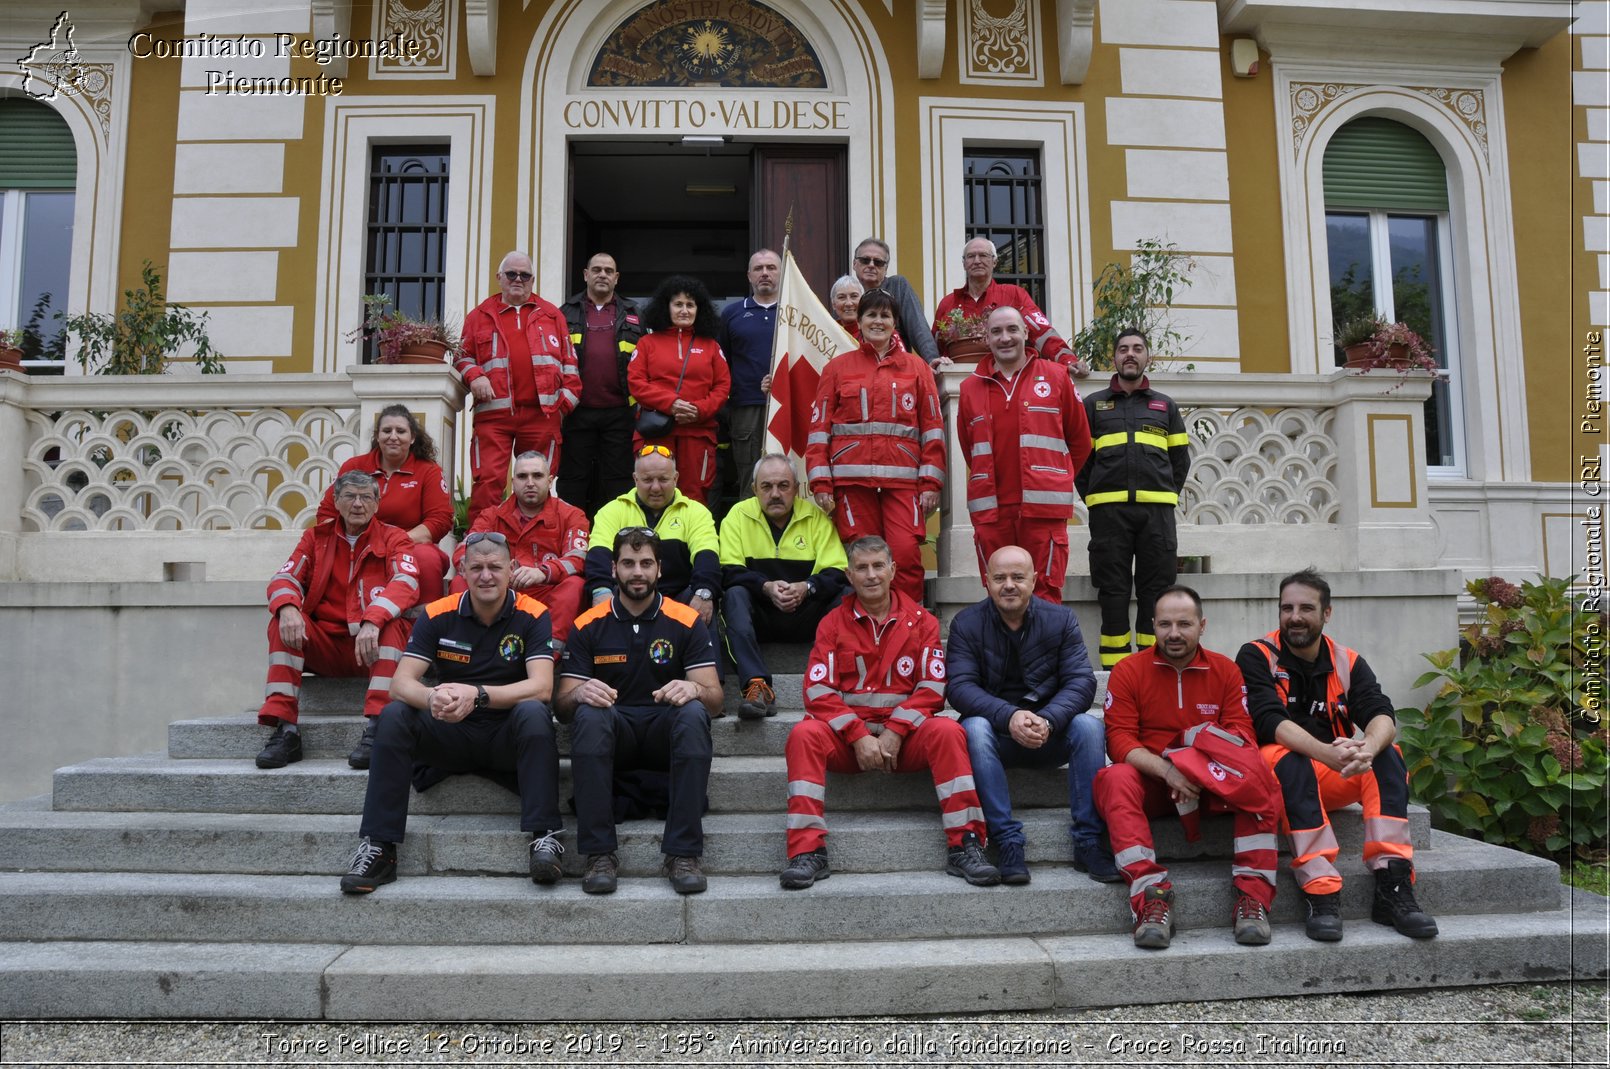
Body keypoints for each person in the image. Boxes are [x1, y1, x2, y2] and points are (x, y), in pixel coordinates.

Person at [339, 531, 564, 894]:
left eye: (495, 567)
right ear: (462, 569)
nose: (486, 576)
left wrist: (476, 695)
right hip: (449, 731)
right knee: (395, 714)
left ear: (512, 570)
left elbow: (542, 687)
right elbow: (400, 684)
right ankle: (379, 847)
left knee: (535, 713)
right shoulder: (438, 612)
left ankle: (545, 837)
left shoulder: (534, 614)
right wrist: (432, 699)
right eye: (477, 567)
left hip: (505, 735)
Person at [779, 537, 999, 890]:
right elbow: (817, 692)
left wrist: (896, 730)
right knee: (803, 735)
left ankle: (966, 844)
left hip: (905, 742)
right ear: (849, 576)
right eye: (862, 568)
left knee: (948, 732)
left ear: (893, 570)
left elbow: (933, 686)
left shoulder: (922, 621)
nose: (871, 575)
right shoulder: (832, 624)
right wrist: (858, 735)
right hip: (849, 744)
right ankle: (807, 852)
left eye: (878, 566)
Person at [1238, 569, 1438, 942]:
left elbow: (1380, 712)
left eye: (1306, 608)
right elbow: (1267, 720)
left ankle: (1393, 885)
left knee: (1389, 754)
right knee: (1290, 759)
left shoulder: (1347, 660)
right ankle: (1320, 890)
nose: (1294, 616)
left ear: (1326, 613)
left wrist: (1367, 749)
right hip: (1274, 774)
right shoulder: (1256, 655)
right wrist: (1324, 752)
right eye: (1287, 608)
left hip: (1331, 769)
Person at [1093, 586, 1282, 950]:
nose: (1174, 633)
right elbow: (1119, 741)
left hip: (1211, 784)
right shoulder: (1129, 671)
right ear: (1152, 626)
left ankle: (1252, 898)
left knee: (1261, 776)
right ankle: (1151, 897)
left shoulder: (1226, 671)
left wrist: (1192, 767)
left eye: (1184, 623)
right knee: (1113, 778)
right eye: (1165, 624)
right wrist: (1168, 771)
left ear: (1202, 625)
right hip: (1154, 785)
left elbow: (1241, 737)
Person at [558, 528, 722, 895]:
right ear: (613, 569)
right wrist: (580, 691)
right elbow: (563, 707)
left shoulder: (685, 620)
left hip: (664, 728)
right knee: (587, 713)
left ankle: (683, 854)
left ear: (659, 569)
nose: (637, 572)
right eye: (628, 564)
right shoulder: (588, 623)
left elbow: (715, 700)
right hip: (614, 730)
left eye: (646, 563)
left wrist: (695, 688)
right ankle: (599, 854)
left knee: (695, 713)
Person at [948, 545, 1117, 885]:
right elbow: (960, 688)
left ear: (1035, 580)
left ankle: (1088, 841)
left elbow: (1081, 682)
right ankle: (1007, 841)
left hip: (1048, 733)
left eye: (1017, 577)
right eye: (999, 578)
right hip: (995, 737)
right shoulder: (966, 623)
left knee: (1088, 726)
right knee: (974, 727)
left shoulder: (1061, 619)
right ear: (986, 582)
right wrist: (1009, 716)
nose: (1008, 585)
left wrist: (1049, 719)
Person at [256, 471, 420, 771]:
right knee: (283, 620)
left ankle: (378, 728)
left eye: (366, 497)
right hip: (326, 648)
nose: (358, 504)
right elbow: (284, 577)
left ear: (377, 503)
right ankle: (285, 730)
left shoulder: (395, 538)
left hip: (371, 647)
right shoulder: (315, 537)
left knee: (393, 626)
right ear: (336, 501)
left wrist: (373, 619)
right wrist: (288, 607)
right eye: (349, 497)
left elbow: (406, 582)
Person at [805, 289, 944, 606]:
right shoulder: (837, 368)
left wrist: (931, 482)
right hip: (852, 484)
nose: (877, 321)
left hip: (904, 483)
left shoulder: (917, 368)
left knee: (905, 555)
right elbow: (818, 429)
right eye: (871, 315)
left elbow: (933, 428)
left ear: (895, 323)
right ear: (860, 320)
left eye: (885, 316)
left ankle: (910, 627)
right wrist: (821, 481)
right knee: (862, 561)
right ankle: (867, 629)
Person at [957, 307, 1092, 605]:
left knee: (1045, 592)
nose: (1005, 338)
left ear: (1026, 333)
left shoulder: (1056, 376)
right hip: (992, 512)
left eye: (1012, 330)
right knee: (999, 595)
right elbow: (970, 449)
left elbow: (1081, 441)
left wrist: (1056, 476)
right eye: (996, 332)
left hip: (1043, 511)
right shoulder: (969, 389)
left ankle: (1043, 653)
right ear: (986, 338)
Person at [1075, 329, 1191, 668]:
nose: (1130, 354)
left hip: (1157, 514)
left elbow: (1180, 461)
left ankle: (1150, 665)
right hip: (1108, 513)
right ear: (1114, 358)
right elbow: (1080, 460)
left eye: (1137, 348)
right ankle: (1117, 671)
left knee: (1156, 591)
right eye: (1123, 348)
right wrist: (1095, 496)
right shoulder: (1094, 405)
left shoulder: (1164, 406)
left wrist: (1165, 493)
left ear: (1147, 357)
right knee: (1113, 591)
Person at [719, 454, 848, 719]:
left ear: (797, 488)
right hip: (761, 617)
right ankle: (757, 685)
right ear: (754, 489)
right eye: (766, 487)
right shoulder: (737, 516)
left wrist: (807, 587)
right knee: (733, 595)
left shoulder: (816, 518)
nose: (775, 494)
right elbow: (729, 571)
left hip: (806, 615)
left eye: (783, 486)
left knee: (847, 596)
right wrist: (765, 586)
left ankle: (835, 682)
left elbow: (837, 571)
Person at [456, 250, 582, 521]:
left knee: (537, 483)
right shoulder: (479, 315)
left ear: (532, 280)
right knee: (488, 481)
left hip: (542, 415)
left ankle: (537, 539)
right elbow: (462, 355)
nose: (518, 279)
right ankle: (481, 543)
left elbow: (570, 363)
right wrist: (475, 375)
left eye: (525, 275)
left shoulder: (551, 315)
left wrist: (564, 406)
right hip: (494, 416)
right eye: (511, 274)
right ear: (499, 277)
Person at [315, 405, 452, 605]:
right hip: (356, 543)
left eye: (401, 431)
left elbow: (439, 521)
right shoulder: (353, 467)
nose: (393, 436)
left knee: (427, 558)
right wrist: (352, 541)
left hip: (408, 544)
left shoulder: (429, 471)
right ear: (377, 436)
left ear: (412, 437)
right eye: (387, 431)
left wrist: (394, 542)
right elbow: (326, 513)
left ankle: (426, 624)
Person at [453, 451, 589, 646]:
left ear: (550, 481)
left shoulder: (571, 515)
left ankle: (548, 654)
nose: (530, 482)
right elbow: (463, 551)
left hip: (547, 590)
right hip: (499, 590)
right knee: (460, 581)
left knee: (575, 585)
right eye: (523, 476)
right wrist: (494, 572)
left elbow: (579, 558)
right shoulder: (491, 516)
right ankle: (467, 648)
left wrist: (544, 572)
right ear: (513, 481)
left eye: (538, 476)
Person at [585, 446, 721, 627]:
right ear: (635, 479)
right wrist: (600, 591)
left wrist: (704, 592)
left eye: (663, 479)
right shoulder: (611, 511)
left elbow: (707, 556)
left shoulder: (696, 512)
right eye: (647, 480)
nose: (656, 487)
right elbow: (598, 554)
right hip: (628, 596)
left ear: (676, 478)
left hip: (680, 597)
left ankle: (707, 656)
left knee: (703, 600)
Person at [628, 275, 731, 505]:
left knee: (695, 498)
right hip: (656, 433)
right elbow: (636, 382)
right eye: (678, 304)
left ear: (698, 309)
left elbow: (723, 386)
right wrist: (671, 403)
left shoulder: (711, 346)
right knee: (654, 495)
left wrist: (699, 410)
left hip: (698, 432)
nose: (684, 310)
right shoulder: (647, 343)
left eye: (690, 305)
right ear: (667, 307)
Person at [559, 252, 643, 516]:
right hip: (577, 412)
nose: (602, 275)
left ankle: (616, 541)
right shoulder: (564, 312)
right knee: (573, 479)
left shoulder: (635, 313)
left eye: (608, 271)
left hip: (620, 411)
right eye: (597, 270)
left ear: (616, 278)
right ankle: (573, 538)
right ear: (586, 275)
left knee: (619, 480)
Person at [932, 237, 1088, 375]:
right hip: (959, 383)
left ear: (994, 262)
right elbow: (935, 349)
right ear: (964, 263)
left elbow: (1043, 334)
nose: (977, 261)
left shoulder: (1015, 295)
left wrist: (1068, 361)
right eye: (971, 256)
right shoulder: (948, 303)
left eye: (983, 255)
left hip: (1008, 378)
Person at [718, 250, 781, 502]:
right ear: (749, 275)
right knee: (750, 477)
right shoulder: (732, 314)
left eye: (771, 267)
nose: (764, 273)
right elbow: (723, 361)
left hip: (788, 407)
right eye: (758, 268)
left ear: (781, 271)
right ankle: (748, 537)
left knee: (789, 474)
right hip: (746, 407)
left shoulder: (797, 312)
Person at [850, 237, 942, 366]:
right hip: (856, 371)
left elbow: (918, 326)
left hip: (895, 371)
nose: (871, 265)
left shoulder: (898, 286)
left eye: (878, 262)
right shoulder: (847, 294)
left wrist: (932, 360)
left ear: (885, 268)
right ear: (854, 264)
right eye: (865, 260)